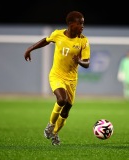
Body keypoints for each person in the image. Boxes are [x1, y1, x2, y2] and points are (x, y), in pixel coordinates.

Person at [24, 11, 90, 145]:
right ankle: (50, 125)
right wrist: (30, 48)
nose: (82, 26)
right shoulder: (58, 34)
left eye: (83, 23)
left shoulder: (83, 40)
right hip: (56, 75)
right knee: (62, 99)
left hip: (71, 80)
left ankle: (55, 134)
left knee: (66, 111)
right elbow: (46, 41)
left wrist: (79, 61)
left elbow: (87, 63)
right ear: (71, 24)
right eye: (80, 23)